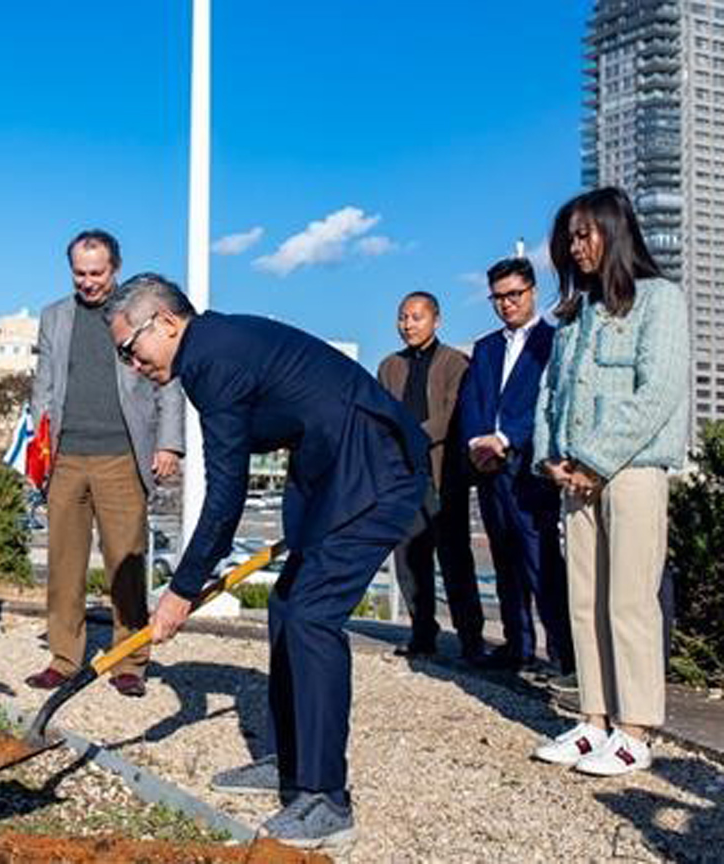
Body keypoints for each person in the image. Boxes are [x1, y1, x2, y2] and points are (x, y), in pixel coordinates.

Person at [105, 273, 428, 850]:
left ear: (168, 323)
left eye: (131, 348)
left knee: (312, 616)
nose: (132, 364)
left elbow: (226, 498)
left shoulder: (213, 363)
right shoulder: (214, 350)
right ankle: (291, 763)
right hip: (333, 474)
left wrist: (178, 593)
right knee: (286, 606)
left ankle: (327, 799)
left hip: (376, 471)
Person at [530, 187, 688, 776]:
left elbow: (660, 391)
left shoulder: (658, 300)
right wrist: (552, 458)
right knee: (585, 601)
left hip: (633, 471)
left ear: (614, 231)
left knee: (629, 600)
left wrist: (594, 459)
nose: (576, 247)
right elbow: (552, 394)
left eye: (584, 234)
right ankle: (593, 718)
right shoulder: (575, 315)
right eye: (569, 237)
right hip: (577, 476)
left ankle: (636, 726)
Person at [25, 230, 184, 699]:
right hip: (66, 458)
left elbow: (168, 382)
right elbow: (44, 386)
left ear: (115, 268)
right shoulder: (54, 316)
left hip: (122, 456)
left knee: (126, 564)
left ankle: (130, 660)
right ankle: (63, 658)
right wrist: (38, 448)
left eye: (97, 273)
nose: (88, 282)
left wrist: (169, 443)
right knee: (64, 564)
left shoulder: (136, 312)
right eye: (80, 272)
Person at [457, 257, 574, 679]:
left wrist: (505, 439)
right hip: (489, 469)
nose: (506, 304)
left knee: (541, 564)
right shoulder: (486, 347)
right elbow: (472, 402)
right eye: (498, 297)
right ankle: (518, 646)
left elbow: (551, 403)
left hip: (530, 470)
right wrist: (476, 443)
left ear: (532, 292)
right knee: (504, 561)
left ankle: (562, 655)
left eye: (514, 295)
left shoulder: (554, 342)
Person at [376, 291, 485, 661]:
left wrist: (408, 438)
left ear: (436, 320)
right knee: (408, 561)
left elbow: (451, 416)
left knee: (455, 559)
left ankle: (472, 639)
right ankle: (422, 633)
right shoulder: (389, 366)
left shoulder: (456, 363)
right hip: (401, 478)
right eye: (403, 317)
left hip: (442, 476)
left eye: (416, 317)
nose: (408, 324)